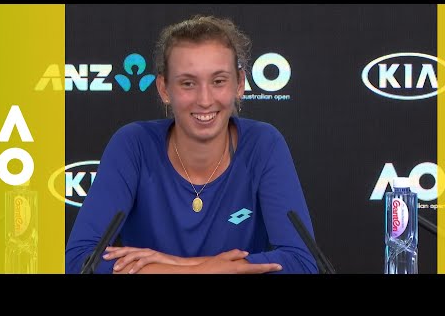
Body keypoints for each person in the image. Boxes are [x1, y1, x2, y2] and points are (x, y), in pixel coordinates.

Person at [65, 15, 319, 274]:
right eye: (188, 83)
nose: (205, 99)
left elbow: (301, 263)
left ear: (240, 84)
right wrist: (209, 269)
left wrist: (176, 265)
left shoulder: (263, 144)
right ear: (164, 88)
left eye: (218, 81)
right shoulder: (133, 144)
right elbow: (79, 262)